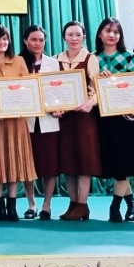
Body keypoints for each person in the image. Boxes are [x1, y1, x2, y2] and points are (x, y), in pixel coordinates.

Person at [94, 18, 134, 224]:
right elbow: (88, 86)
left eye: (116, 32)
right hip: (103, 118)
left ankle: (115, 205)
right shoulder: (93, 58)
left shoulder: (129, 56)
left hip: (126, 118)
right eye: (108, 31)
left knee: (124, 163)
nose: (112, 35)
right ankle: (131, 202)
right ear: (100, 34)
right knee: (115, 163)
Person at [0, 25, 37, 222]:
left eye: (5, 38)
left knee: (15, 160)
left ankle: (12, 204)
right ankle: (0, 205)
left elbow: (28, 89)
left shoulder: (19, 61)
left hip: (16, 121)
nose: (2, 42)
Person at [54, 21, 100, 221]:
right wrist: (54, 106)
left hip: (84, 117)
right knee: (68, 162)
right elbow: (51, 88)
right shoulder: (56, 59)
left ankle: (82, 204)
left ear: (84, 37)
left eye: (78, 35)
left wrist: (91, 102)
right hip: (64, 118)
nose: (74, 38)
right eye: (70, 35)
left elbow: (97, 87)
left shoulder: (90, 58)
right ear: (64, 37)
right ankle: (73, 204)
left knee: (84, 161)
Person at [20, 25, 62, 221]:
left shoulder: (53, 63)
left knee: (50, 165)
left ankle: (47, 204)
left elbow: (60, 90)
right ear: (25, 41)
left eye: (40, 40)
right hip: (25, 121)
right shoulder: (18, 62)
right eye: (33, 39)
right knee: (28, 165)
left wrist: (60, 107)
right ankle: (31, 204)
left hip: (49, 120)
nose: (37, 43)